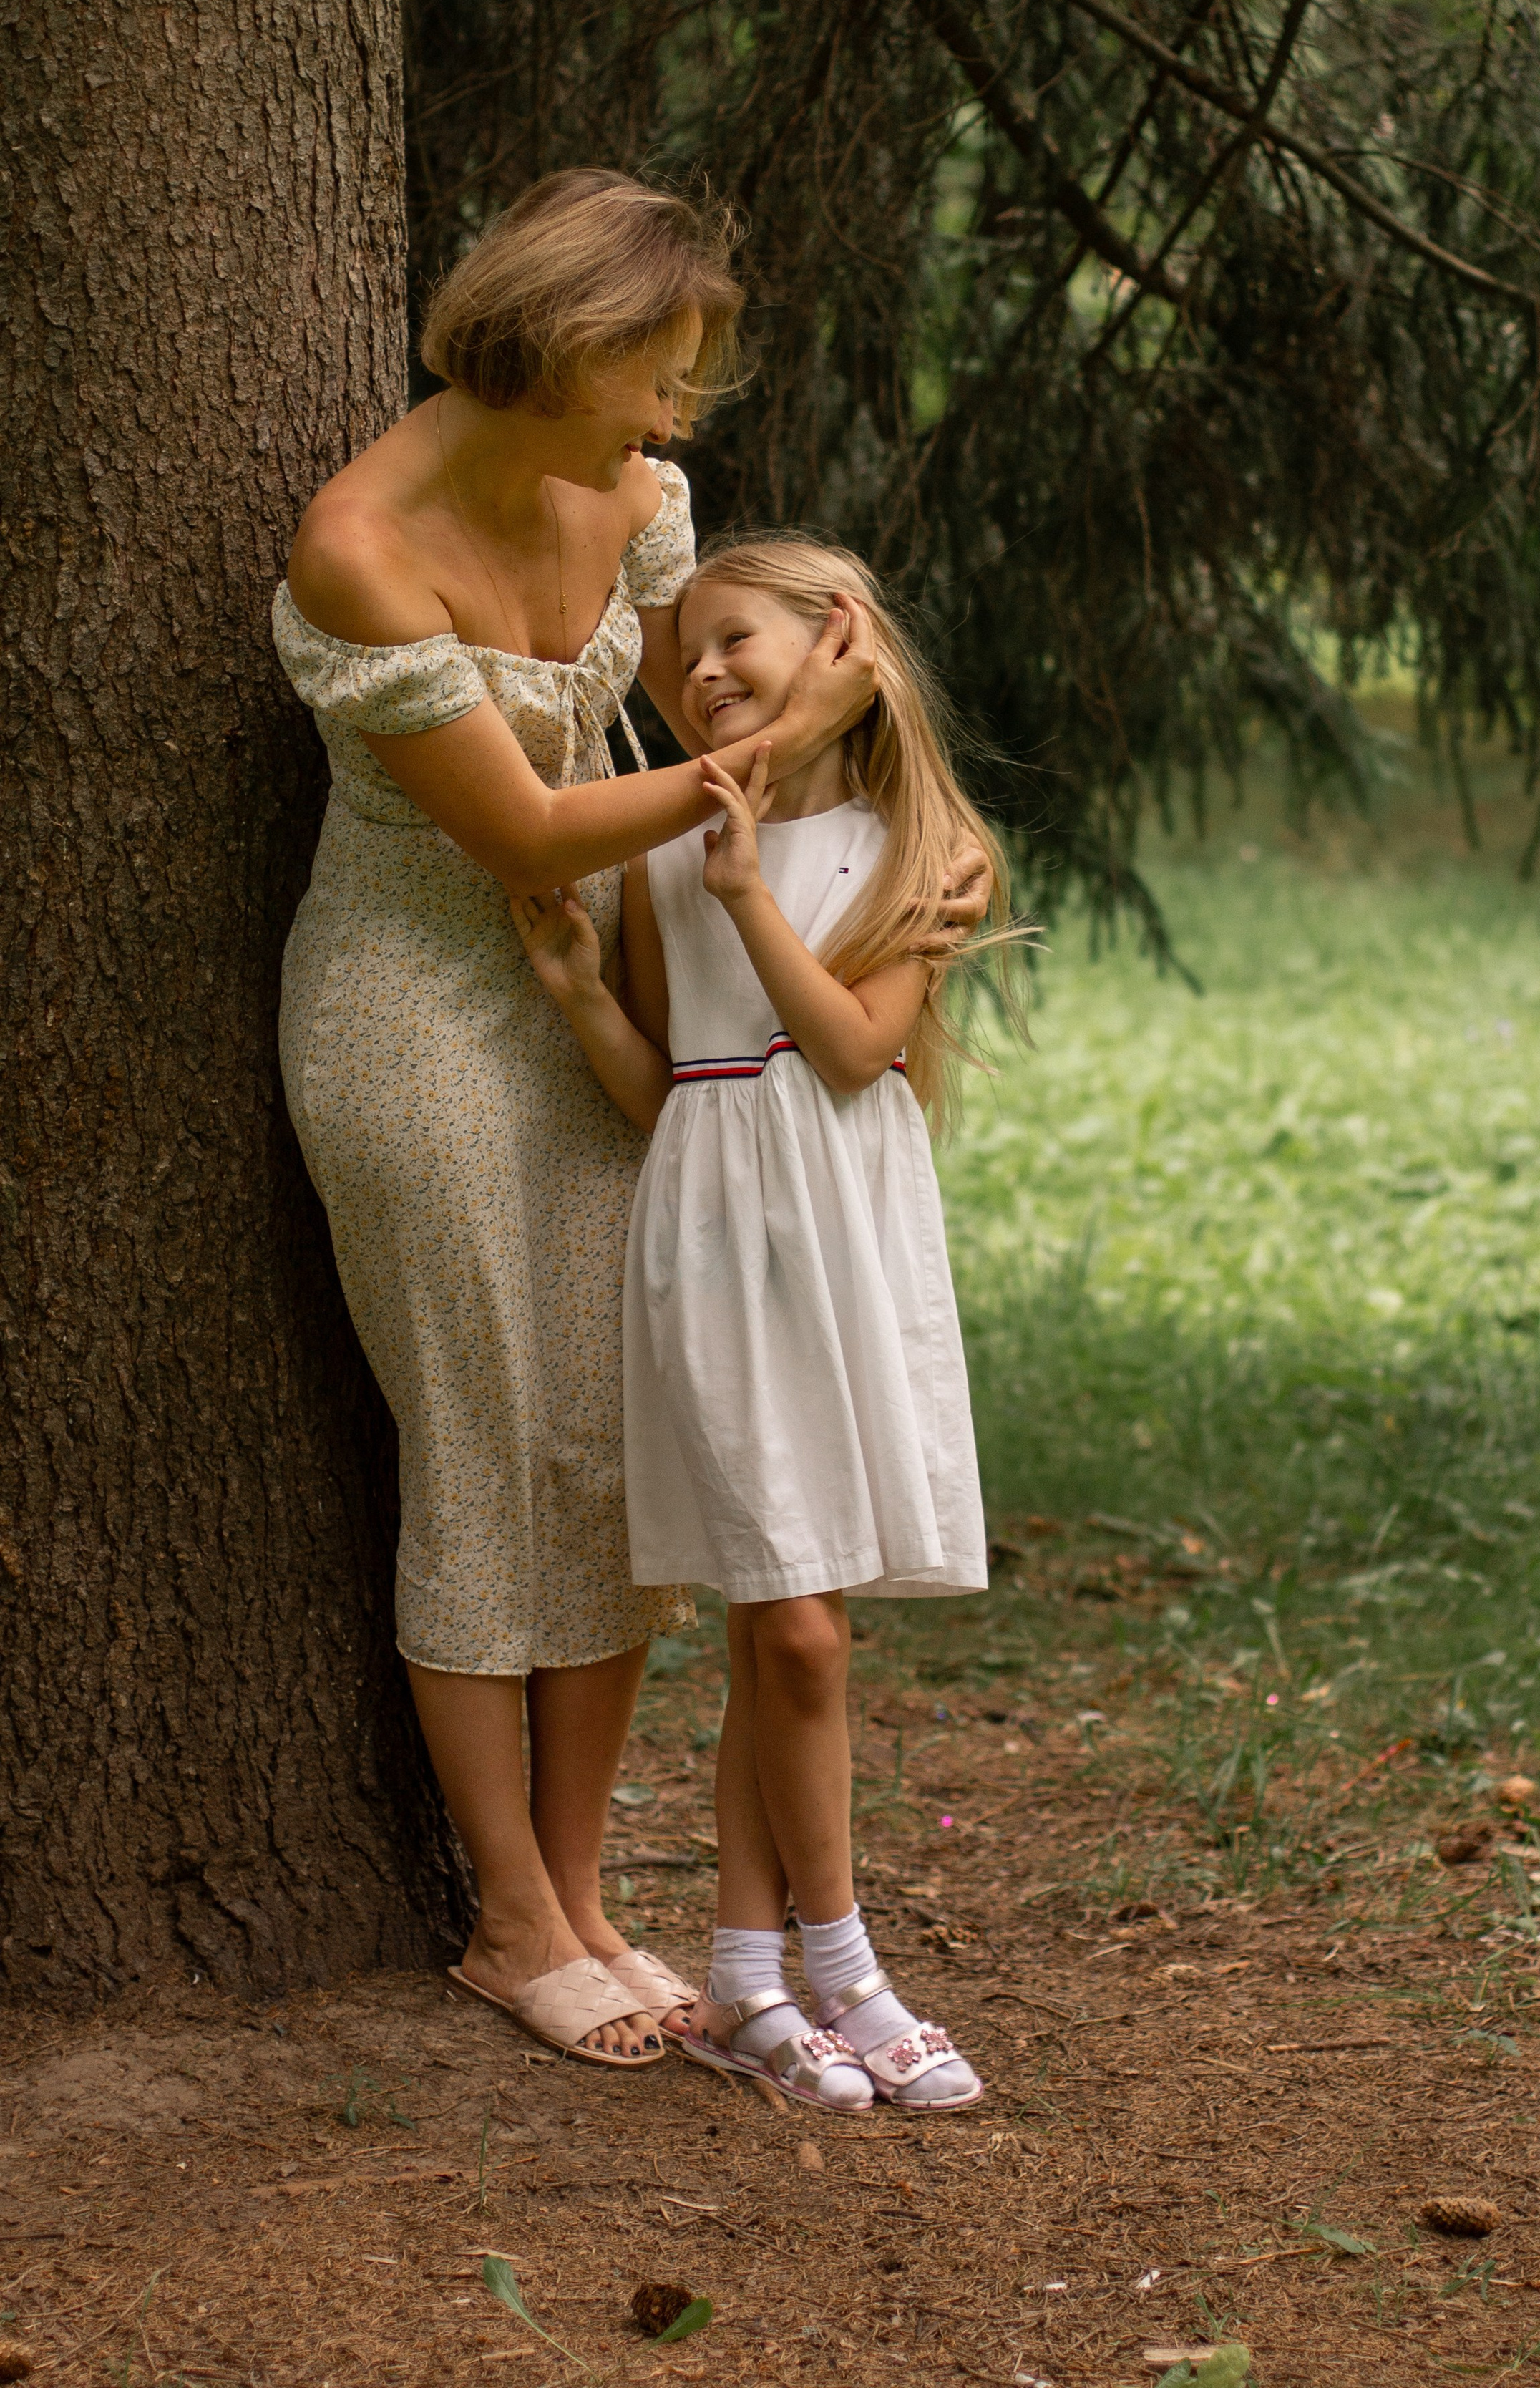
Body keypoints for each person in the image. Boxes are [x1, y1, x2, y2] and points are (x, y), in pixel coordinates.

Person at [272, 170, 989, 2070]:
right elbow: (518, 824)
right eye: (659, 378)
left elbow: (703, 717)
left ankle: (587, 1893)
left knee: (610, 1453)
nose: (679, 426)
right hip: (421, 1000)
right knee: (490, 1440)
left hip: (602, 992)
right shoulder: (362, 543)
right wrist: (761, 756)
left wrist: (893, 847)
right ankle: (508, 1919)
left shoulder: (641, 502)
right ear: (577, 350)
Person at [512, 531, 1021, 2112]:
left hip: (843, 1225)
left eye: (737, 639)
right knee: (792, 1619)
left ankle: (750, 1981)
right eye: (683, 659)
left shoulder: (916, 841)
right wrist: (588, 991)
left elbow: (856, 1050)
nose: (705, 672)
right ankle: (848, 1964)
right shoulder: (662, 850)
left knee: (781, 1619)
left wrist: (747, 894)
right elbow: (669, 1082)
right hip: (712, 1230)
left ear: (836, 640)